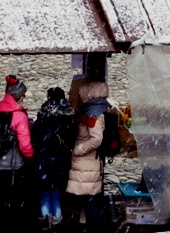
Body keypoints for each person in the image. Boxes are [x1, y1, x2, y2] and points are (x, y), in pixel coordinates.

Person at [0, 75, 34, 233]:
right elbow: (25, 145)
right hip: (14, 166)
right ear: (18, 96)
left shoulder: (0, 110)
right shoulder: (19, 115)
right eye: (23, 95)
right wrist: (31, 157)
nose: (24, 98)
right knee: (14, 202)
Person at [66, 79, 110, 233]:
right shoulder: (92, 110)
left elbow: (96, 139)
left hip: (87, 163)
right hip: (86, 164)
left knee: (89, 201)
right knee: (89, 200)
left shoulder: (94, 113)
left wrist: (78, 149)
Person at [33, 87, 75, 227]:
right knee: (56, 190)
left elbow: (35, 135)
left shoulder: (44, 114)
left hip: (44, 158)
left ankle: (46, 220)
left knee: (45, 190)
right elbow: (72, 139)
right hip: (61, 160)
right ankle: (57, 220)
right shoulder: (69, 116)